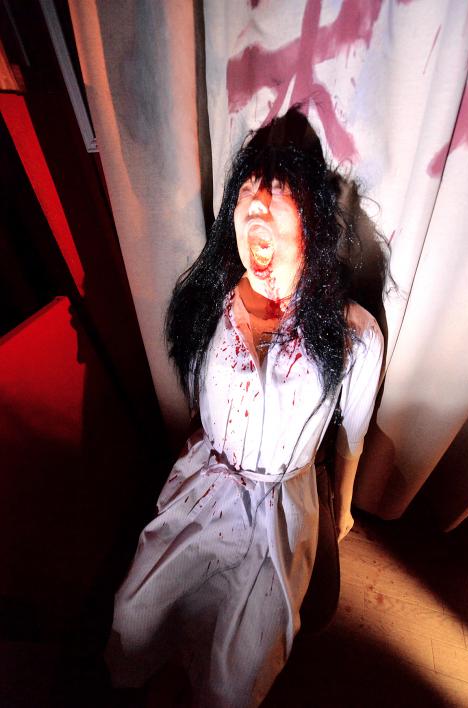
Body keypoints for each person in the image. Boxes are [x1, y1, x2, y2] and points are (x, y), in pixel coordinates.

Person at [105, 108, 384, 707]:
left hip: (280, 509)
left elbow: (352, 436)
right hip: (206, 489)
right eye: (247, 190)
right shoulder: (208, 306)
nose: (256, 204)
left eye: (278, 193)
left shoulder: (354, 336)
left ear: (313, 221)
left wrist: (341, 510)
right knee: (134, 618)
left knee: (238, 675)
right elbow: (198, 409)